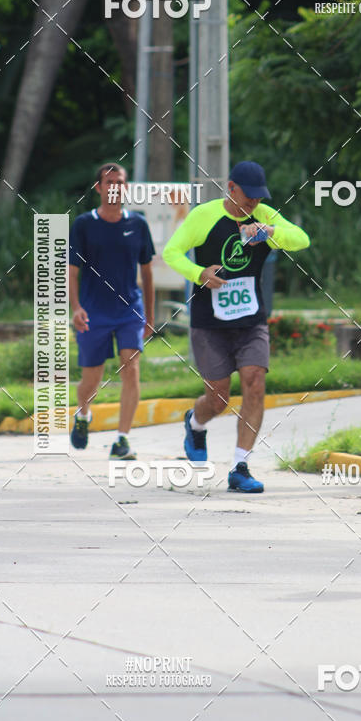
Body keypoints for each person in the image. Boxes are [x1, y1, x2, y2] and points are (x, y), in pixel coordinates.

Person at [162, 161, 310, 493]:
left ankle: (240, 467)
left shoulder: (265, 216)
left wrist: (272, 233)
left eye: (259, 197)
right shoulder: (205, 216)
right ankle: (195, 423)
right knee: (218, 399)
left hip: (250, 319)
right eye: (248, 196)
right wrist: (199, 274)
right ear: (231, 188)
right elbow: (172, 253)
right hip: (209, 321)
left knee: (255, 382)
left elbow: (302, 240)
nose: (254, 203)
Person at [69, 163, 155, 459]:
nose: (114, 187)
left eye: (119, 182)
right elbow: (71, 271)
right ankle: (83, 415)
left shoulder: (138, 224)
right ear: (98, 188)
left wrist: (150, 316)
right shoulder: (83, 224)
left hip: (129, 309)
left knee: (130, 368)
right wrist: (76, 307)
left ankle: (122, 440)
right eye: (108, 182)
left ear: (126, 187)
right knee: (91, 380)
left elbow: (147, 272)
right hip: (94, 312)